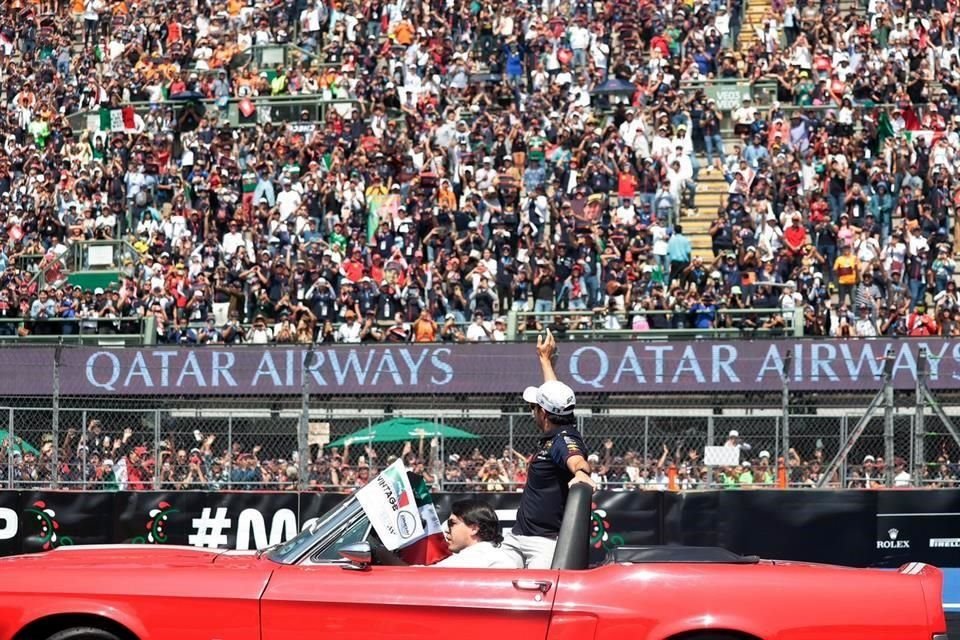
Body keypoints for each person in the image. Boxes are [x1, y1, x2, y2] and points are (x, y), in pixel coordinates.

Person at [502, 329, 596, 569]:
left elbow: (576, 459)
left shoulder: (563, 439)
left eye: (533, 407)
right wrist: (545, 359)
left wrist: (581, 474)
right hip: (516, 538)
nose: (532, 410)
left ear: (543, 413)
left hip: (543, 545)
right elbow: (553, 392)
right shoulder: (558, 426)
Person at [432, 500, 521, 569]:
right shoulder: (497, 556)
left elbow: (428, 575)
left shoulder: (474, 558)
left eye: (453, 523)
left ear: (474, 529)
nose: (447, 530)